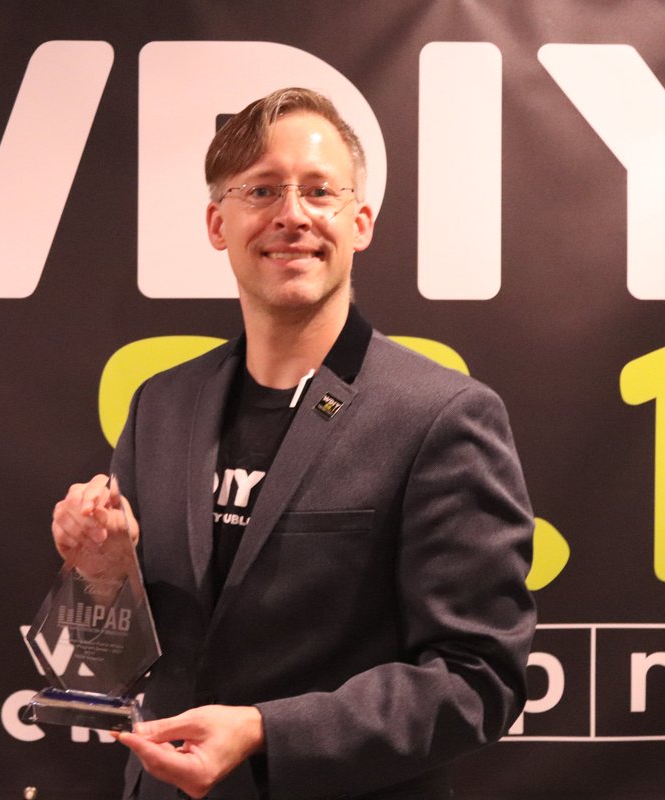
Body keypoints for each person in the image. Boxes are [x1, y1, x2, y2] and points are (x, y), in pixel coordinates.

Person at [52, 88, 536, 800]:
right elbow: (111, 666)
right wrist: (99, 573)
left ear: (360, 221)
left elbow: (477, 679)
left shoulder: (443, 415)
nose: (292, 215)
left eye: (319, 191)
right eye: (262, 190)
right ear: (219, 223)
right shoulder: (161, 406)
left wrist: (264, 731)